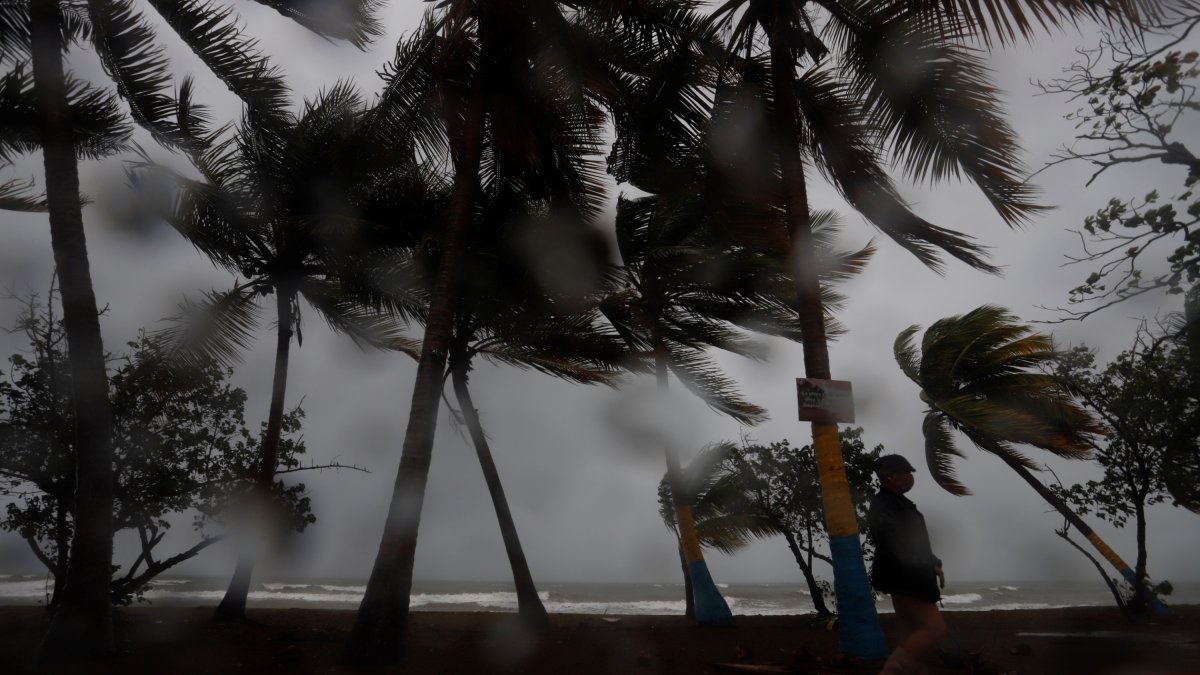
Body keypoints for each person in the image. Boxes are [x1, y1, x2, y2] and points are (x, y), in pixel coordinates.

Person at [867, 454, 946, 675]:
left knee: (910, 630)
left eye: (911, 473)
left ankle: (909, 670)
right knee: (934, 629)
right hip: (905, 577)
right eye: (905, 473)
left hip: (904, 576)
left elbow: (913, 542)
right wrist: (925, 564)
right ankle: (892, 671)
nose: (911, 477)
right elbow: (896, 544)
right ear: (889, 477)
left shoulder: (897, 503)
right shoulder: (885, 505)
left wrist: (933, 563)